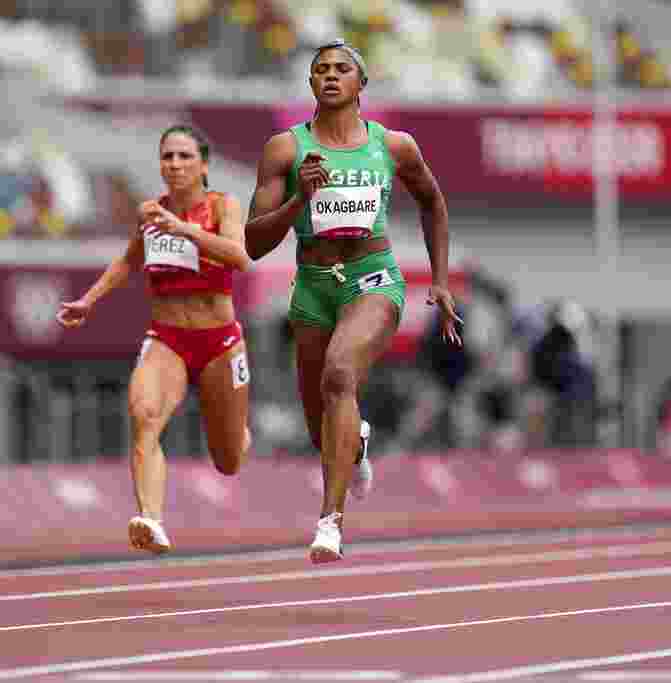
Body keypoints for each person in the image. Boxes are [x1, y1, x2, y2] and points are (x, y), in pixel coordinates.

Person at [244, 39, 462, 564]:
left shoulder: (395, 146)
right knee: (319, 422)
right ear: (311, 84)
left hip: (373, 279)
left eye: (343, 69)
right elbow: (254, 243)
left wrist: (439, 277)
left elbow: (433, 200)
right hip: (313, 284)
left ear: (361, 84)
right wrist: (301, 198)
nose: (331, 75)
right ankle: (355, 446)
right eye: (321, 70)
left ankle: (330, 522)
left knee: (340, 374)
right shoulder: (285, 150)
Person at [57, 125, 252, 555]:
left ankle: (240, 430)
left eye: (184, 157)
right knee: (143, 416)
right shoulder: (150, 212)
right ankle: (151, 519)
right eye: (168, 157)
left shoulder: (223, 205)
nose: (175, 165)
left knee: (229, 459)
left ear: (204, 165)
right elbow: (129, 260)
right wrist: (89, 300)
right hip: (167, 339)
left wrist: (185, 230)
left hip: (219, 342)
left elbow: (240, 257)